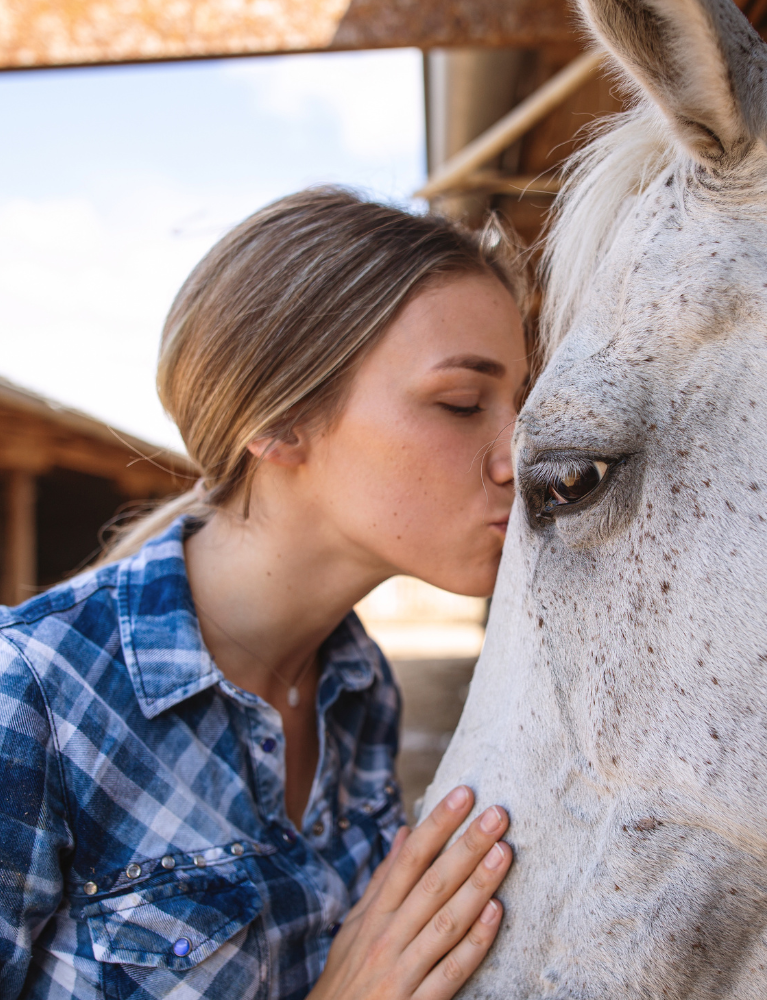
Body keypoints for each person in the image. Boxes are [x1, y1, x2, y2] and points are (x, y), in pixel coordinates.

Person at [0, 187, 529, 1000]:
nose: (519, 458)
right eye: (462, 403)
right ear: (278, 422)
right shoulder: (30, 701)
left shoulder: (361, 690)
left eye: (522, 406)